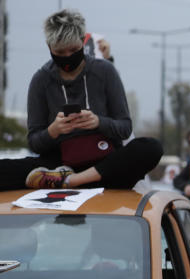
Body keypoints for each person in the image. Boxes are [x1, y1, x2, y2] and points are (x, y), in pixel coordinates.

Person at [0, 9, 162, 191]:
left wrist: (98, 122)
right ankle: (63, 177)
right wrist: (53, 130)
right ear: (49, 46)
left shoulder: (105, 71)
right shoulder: (41, 80)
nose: (68, 56)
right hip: (57, 164)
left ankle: (71, 182)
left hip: (105, 164)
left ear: (83, 40)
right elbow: (34, 142)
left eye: (74, 50)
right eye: (60, 52)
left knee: (151, 148)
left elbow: (125, 128)